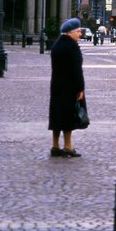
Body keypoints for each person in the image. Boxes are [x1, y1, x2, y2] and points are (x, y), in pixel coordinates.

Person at [48, 18, 86, 158]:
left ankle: (55, 146)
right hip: (70, 86)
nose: (80, 34)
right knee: (69, 116)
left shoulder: (57, 44)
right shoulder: (72, 46)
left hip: (56, 85)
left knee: (56, 116)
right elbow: (77, 70)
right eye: (78, 31)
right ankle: (68, 146)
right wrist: (80, 89)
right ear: (70, 33)